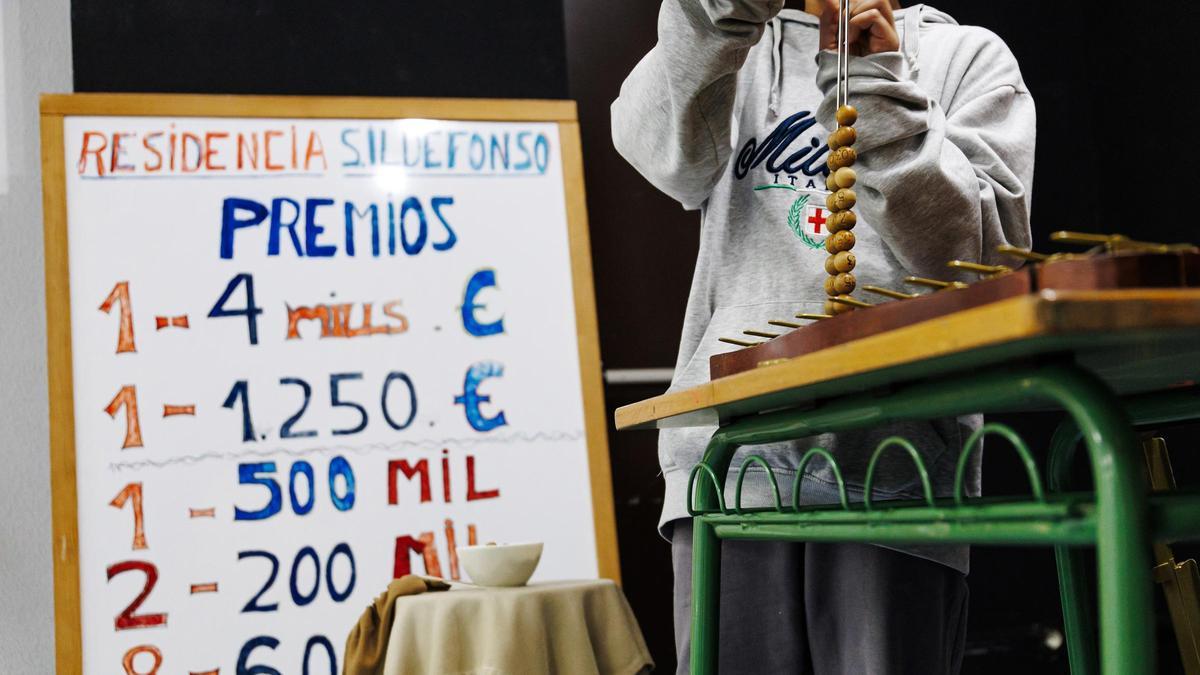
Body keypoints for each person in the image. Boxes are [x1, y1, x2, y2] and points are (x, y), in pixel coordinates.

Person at [611, 0, 1035, 672]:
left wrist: (876, 84)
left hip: (897, 474)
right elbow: (653, 150)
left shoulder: (967, 57)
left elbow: (982, 262)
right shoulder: (736, 41)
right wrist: (715, 16)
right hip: (729, 473)